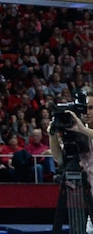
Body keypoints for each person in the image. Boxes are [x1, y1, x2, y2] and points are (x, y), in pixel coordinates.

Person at [49, 92, 93, 234]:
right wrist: (53, 136)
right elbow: (60, 159)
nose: (87, 112)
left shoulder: (83, 130)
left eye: (91, 108)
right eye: (85, 107)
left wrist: (83, 129)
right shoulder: (78, 132)